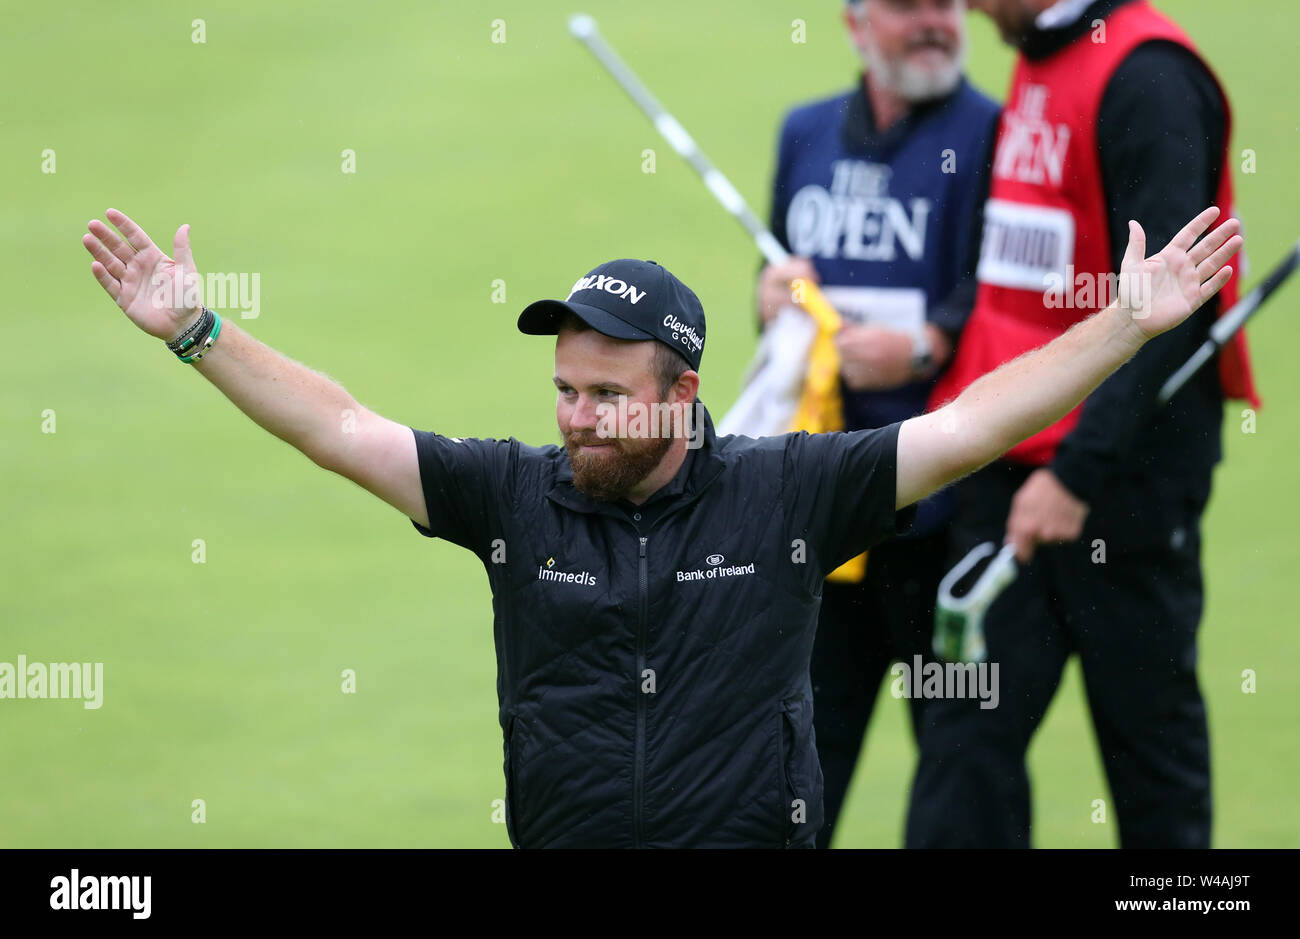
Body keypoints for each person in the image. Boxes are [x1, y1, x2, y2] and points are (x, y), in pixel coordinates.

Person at [83, 202, 1240, 848]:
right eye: (563, 388)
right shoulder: (510, 497)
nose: (574, 417)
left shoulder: (786, 491)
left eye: (604, 393)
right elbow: (339, 428)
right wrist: (199, 334)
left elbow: (970, 426)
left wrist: (1122, 330)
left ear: (683, 393)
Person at [905, 0, 1259, 848]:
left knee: (1150, 754)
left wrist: (1075, 474)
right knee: (961, 744)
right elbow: (1008, 257)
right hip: (1003, 460)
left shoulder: (1149, 76)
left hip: (1120, 486)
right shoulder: (1038, 48)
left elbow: (1166, 311)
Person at [752, 0, 999, 847]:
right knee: (794, 768)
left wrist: (926, 347)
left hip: (948, 518)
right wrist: (770, 298)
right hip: (823, 518)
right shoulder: (805, 132)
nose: (935, 21)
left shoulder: (993, 134)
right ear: (857, 23)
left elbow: (1006, 299)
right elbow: (779, 274)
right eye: (907, 6)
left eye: (946, 4)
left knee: (965, 775)